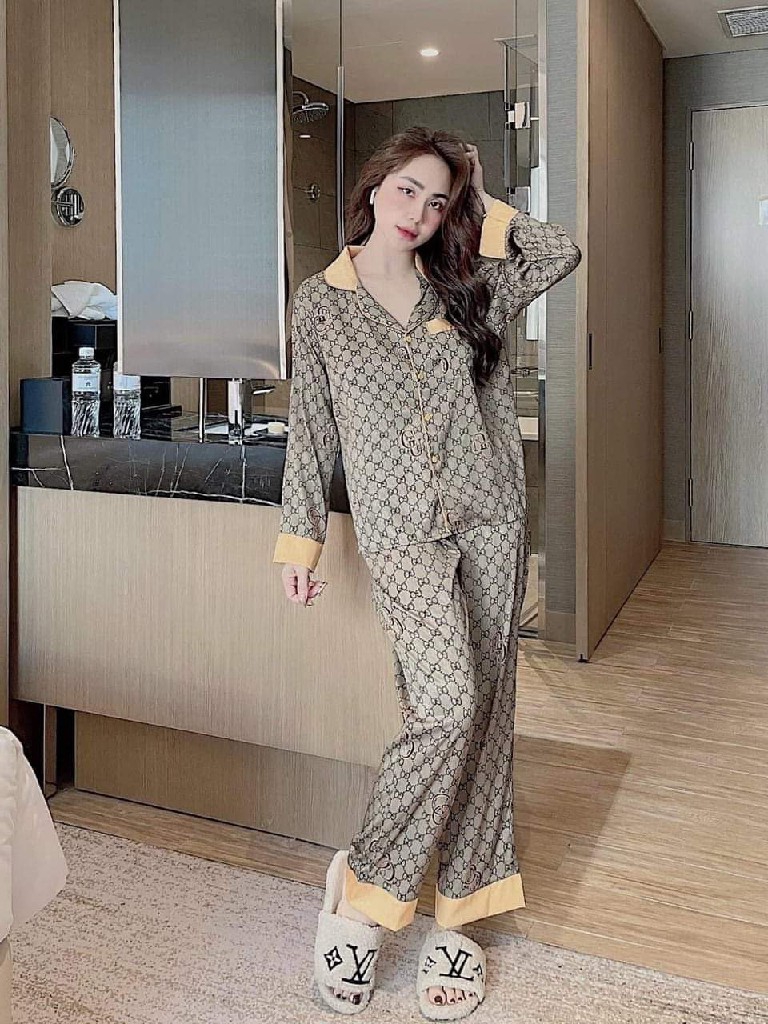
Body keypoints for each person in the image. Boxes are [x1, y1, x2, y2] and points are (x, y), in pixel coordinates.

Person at [273, 126, 581, 1019]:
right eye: (407, 190)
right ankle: (367, 896)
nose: (419, 212)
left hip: (489, 519)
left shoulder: (467, 285)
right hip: (401, 535)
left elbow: (558, 251)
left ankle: (462, 914)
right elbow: (312, 432)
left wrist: (476, 197)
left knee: (485, 712)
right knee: (445, 703)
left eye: (437, 201)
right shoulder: (320, 304)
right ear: (374, 188)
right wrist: (300, 541)